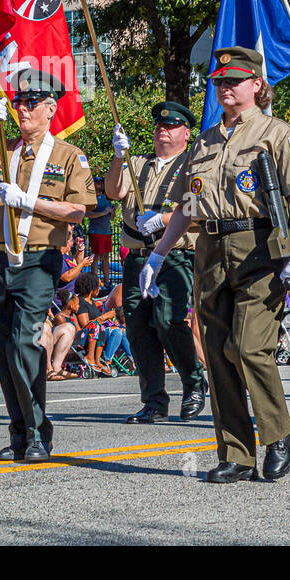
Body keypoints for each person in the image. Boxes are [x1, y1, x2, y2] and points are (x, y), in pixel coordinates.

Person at [146, 46, 290, 483]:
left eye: (233, 80)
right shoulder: (204, 140)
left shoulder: (278, 133)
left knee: (248, 346)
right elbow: (187, 203)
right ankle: (237, 453)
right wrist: (159, 251)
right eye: (219, 81)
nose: (224, 87)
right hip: (210, 247)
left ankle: (278, 434)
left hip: (259, 244)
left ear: (256, 84)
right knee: (219, 352)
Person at [0, 68, 96, 462]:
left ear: (51, 108)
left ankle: (39, 432)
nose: (22, 109)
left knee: (24, 342)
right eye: (18, 103)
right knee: (3, 349)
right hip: (1, 259)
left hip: (39, 260)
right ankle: (20, 433)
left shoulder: (69, 156)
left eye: (31, 103)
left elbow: (77, 211)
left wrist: (30, 202)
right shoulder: (4, 147)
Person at [106, 100, 208, 423]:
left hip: (174, 255)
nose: (163, 130)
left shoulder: (193, 164)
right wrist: (119, 156)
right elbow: (112, 190)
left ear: (186, 133)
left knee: (168, 319)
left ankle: (193, 383)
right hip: (137, 256)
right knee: (138, 326)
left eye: (172, 126)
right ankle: (154, 400)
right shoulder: (137, 164)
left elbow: (201, 210)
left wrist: (164, 218)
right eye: (160, 125)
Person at [87, 177, 114, 287]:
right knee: (95, 257)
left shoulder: (106, 199)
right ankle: (95, 282)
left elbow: (111, 218)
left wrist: (112, 211)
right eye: (97, 182)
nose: (100, 184)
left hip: (106, 232)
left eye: (102, 182)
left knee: (106, 257)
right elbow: (88, 214)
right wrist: (103, 212)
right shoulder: (91, 198)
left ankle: (107, 281)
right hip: (95, 232)